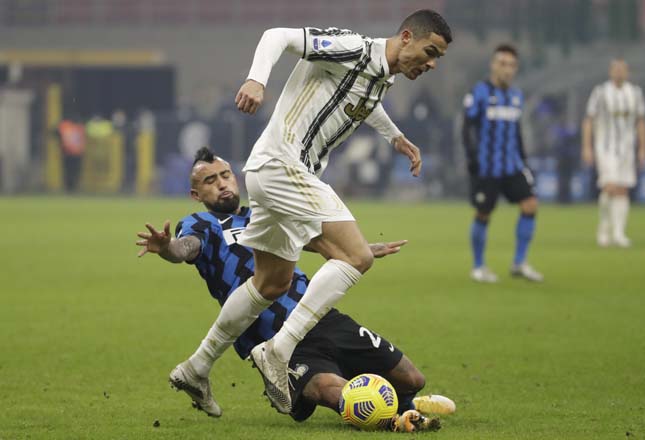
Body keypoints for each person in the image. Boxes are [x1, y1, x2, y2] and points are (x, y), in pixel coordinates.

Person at [175, 10, 452, 414]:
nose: (430, 64)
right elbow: (278, 36)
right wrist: (257, 79)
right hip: (282, 164)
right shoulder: (353, 48)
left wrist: (395, 137)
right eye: (429, 52)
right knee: (356, 257)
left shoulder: (381, 76)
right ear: (406, 37)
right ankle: (280, 349)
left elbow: (364, 103)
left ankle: (195, 368)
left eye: (437, 59)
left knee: (270, 282)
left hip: (269, 174)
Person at [136, 147, 455, 432]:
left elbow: (310, 239)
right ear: (196, 193)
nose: (222, 183)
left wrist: (361, 248)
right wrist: (167, 248)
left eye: (225, 175)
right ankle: (398, 418)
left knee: (412, 378)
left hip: (319, 316)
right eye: (210, 181)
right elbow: (185, 249)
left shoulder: (261, 214)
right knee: (334, 391)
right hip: (274, 339)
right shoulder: (201, 224)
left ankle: (408, 402)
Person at [462, 44, 543, 283]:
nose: (507, 69)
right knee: (484, 213)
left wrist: (524, 159)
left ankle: (519, 263)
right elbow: (467, 129)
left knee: (530, 205)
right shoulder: (479, 92)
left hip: (512, 165)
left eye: (512, 65)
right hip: (487, 167)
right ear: (493, 65)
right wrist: (472, 160)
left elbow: (516, 131)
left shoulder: (516, 95)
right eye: (503, 64)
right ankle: (478, 267)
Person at [581, 59, 645, 247]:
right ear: (610, 72)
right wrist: (586, 147)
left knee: (622, 189)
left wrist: (643, 148)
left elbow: (641, 121)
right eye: (616, 69)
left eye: (622, 70)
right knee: (609, 186)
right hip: (605, 146)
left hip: (627, 148)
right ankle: (604, 226)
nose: (619, 73)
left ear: (627, 72)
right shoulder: (600, 92)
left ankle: (619, 233)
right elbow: (589, 120)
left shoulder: (635, 93)